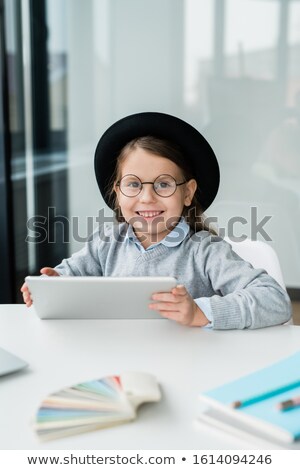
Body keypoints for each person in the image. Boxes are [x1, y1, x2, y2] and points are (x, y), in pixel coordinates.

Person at [21, 112, 292, 329]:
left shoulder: (204, 250)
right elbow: (71, 275)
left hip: (192, 364)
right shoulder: (105, 243)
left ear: (188, 192)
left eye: (164, 184)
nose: (147, 197)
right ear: (117, 193)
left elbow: (275, 300)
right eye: (133, 184)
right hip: (119, 360)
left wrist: (200, 312)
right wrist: (52, 285)